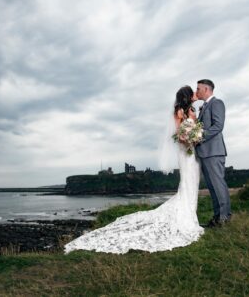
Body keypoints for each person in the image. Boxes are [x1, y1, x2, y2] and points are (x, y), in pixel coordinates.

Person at [64, 86, 204, 254]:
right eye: (193, 92)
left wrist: (195, 133)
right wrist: (188, 138)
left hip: (193, 152)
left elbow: (194, 129)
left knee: (193, 182)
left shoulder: (191, 111)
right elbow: (179, 134)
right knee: (187, 182)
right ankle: (187, 218)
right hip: (185, 153)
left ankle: (191, 214)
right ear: (187, 96)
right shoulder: (179, 112)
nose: (195, 94)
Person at [195, 79, 231, 227]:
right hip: (205, 153)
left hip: (214, 152)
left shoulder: (217, 103)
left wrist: (199, 135)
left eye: (198, 89)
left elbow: (218, 126)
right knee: (212, 187)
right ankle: (217, 218)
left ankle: (224, 219)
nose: (196, 92)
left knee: (218, 186)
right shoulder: (204, 107)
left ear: (206, 89)